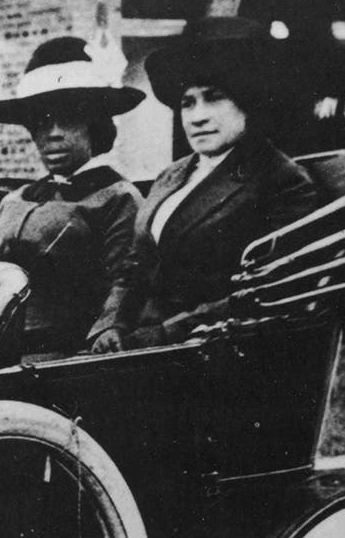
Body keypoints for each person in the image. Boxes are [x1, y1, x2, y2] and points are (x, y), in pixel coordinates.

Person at [122, 17, 322, 349]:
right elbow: (135, 265)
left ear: (249, 100)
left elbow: (266, 288)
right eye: (187, 103)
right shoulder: (171, 175)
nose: (197, 116)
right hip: (137, 344)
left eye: (213, 98)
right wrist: (110, 326)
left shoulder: (280, 180)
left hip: (208, 353)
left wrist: (163, 335)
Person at [0, 37, 145, 357]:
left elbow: (126, 280)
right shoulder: (16, 197)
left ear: (94, 125)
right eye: (42, 121)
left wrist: (107, 330)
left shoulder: (117, 198)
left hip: (67, 353)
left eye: (69, 118)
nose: (53, 133)